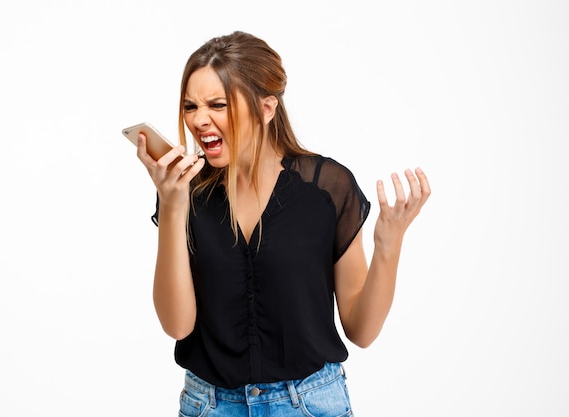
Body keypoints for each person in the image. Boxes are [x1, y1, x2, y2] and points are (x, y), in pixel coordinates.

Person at [136, 31, 430, 417]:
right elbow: (177, 326)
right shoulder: (184, 191)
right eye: (190, 106)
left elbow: (361, 330)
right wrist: (173, 206)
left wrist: (389, 245)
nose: (199, 120)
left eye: (217, 104)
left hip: (309, 404)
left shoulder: (326, 188)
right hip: (210, 406)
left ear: (267, 108)